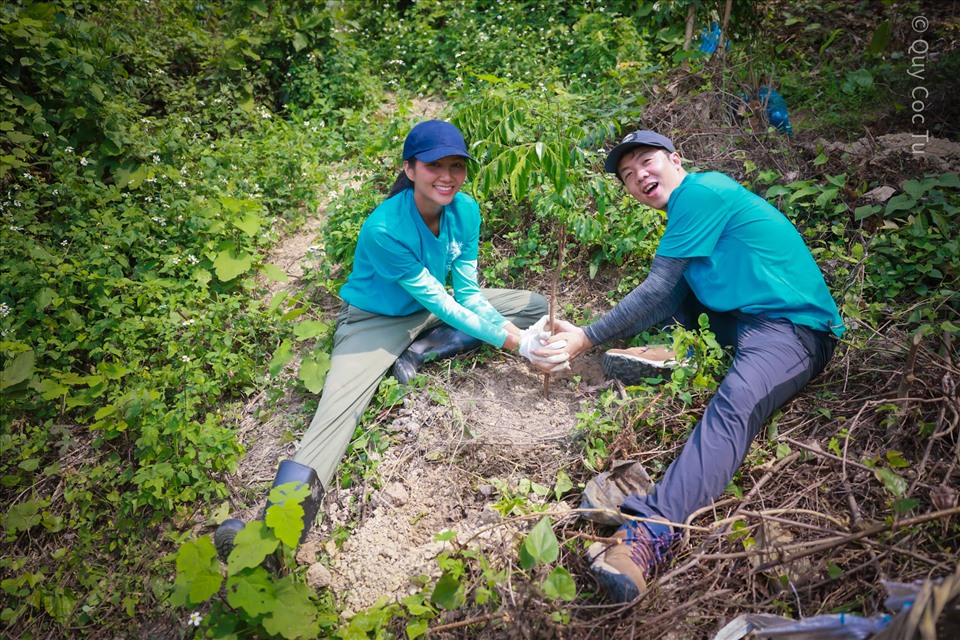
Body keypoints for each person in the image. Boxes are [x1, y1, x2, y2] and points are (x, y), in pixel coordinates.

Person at [215, 120, 565, 560]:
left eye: (457, 165)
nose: (448, 176)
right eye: (434, 164)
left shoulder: (466, 211)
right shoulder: (384, 228)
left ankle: (423, 349)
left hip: (431, 310)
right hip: (377, 321)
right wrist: (518, 346)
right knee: (337, 413)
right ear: (410, 168)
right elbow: (444, 302)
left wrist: (519, 335)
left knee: (532, 305)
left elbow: (469, 293)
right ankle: (271, 541)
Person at [534, 130, 845, 602]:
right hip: (741, 320)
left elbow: (656, 290)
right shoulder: (687, 215)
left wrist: (585, 339)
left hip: (793, 328)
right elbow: (665, 303)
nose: (638, 174)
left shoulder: (702, 192)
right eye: (626, 174)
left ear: (676, 160)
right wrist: (589, 337)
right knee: (680, 303)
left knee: (736, 404)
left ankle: (649, 535)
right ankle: (678, 352)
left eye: (646, 161)